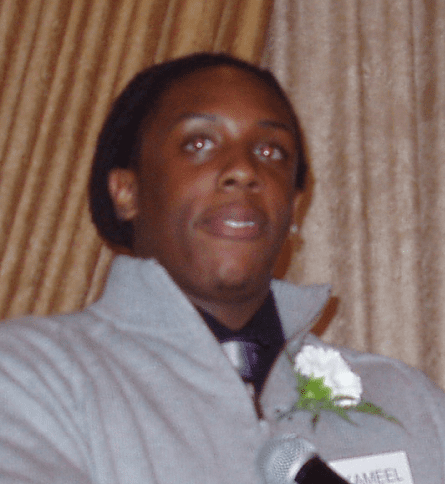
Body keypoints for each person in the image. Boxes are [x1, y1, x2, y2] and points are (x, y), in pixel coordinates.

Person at [0, 52, 444, 483]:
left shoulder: (406, 400)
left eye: (272, 151)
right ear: (127, 192)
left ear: (294, 207)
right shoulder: (30, 376)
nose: (243, 170)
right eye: (199, 144)